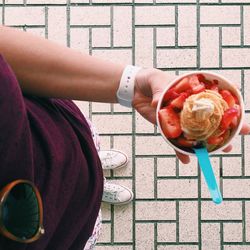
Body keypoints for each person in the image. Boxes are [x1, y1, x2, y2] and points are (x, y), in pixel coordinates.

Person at [0, 25, 249, 250]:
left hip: (54, 136)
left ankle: (93, 172)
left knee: (84, 164)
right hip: (64, 229)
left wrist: (131, 85)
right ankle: (89, 182)